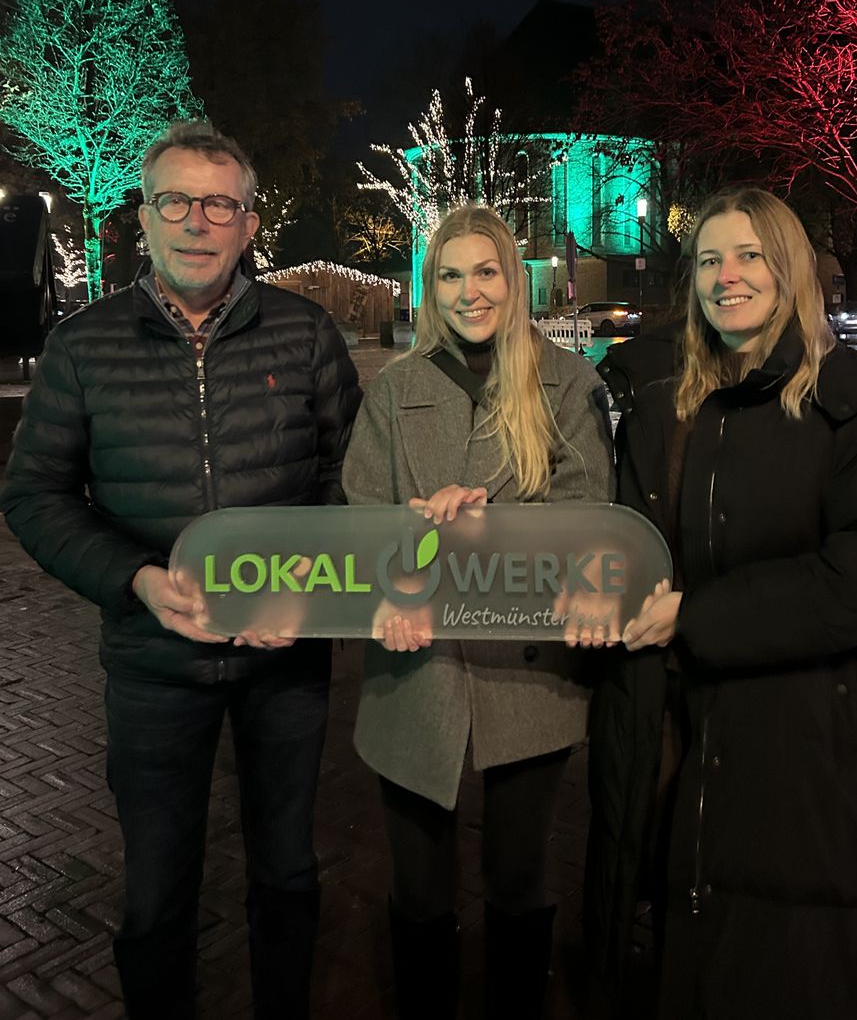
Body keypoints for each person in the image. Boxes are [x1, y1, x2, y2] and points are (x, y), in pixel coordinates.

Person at [1, 122, 361, 1020]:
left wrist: (309, 592)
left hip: (287, 663)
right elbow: (36, 495)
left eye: (219, 204)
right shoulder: (84, 347)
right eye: (175, 201)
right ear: (146, 216)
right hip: (154, 664)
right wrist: (136, 581)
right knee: (157, 889)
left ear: (247, 224)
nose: (196, 222)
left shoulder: (306, 334)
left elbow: (353, 482)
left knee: (285, 871)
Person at [585, 187, 857, 1020]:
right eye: (709, 259)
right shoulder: (678, 405)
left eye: (748, 256)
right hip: (699, 743)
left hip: (816, 751)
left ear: (789, 270)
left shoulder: (851, 406)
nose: (727, 277)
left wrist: (698, 617)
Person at [343, 204, 614, 1020]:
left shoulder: (568, 384)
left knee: (518, 879)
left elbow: (587, 511)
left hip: (525, 677)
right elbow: (361, 514)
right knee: (420, 887)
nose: (470, 292)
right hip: (415, 666)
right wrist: (389, 586)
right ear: (431, 288)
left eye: (486, 272)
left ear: (514, 279)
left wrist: (487, 527)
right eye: (450, 275)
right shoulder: (393, 391)